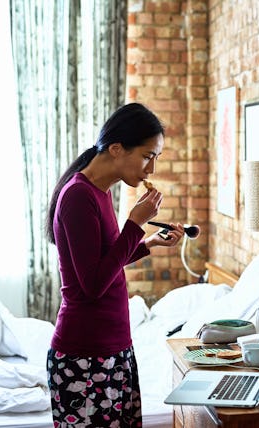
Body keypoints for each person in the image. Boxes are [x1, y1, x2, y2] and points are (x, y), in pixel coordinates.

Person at [45, 102, 185, 427]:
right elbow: (93, 284)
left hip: (112, 350)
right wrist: (135, 225)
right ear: (117, 148)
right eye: (148, 156)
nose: (151, 169)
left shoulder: (101, 192)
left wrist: (148, 242)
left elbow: (105, 259)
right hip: (85, 356)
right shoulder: (78, 196)